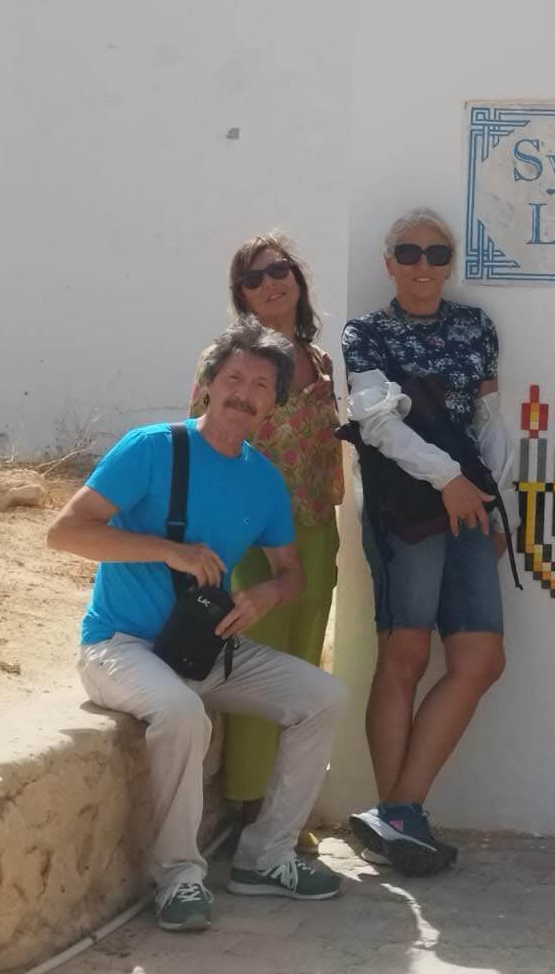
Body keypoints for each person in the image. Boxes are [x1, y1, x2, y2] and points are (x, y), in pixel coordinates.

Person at [51, 318, 346, 932]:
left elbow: (292, 573)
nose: (244, 393)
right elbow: (66, 534)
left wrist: (267, 594)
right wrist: (169, 551)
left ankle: (265, 857)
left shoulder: (264, 479)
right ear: (209, 383)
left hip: (206, 648)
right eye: (234, 378)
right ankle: (179, 878)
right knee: (183, 713)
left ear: (274, 403)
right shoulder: (150, 448)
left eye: (261, 385)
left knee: (323, 697)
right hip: (120, 647)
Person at [342, 208, 511, 876]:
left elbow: (490, 418)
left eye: (437, 254)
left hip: (469, 505)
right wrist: (448, 480)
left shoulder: (476, 326)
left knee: (481, 658)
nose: (422, 266)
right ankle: (401, 823)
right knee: (405, 654)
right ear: (388, 262)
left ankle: (398, 812)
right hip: (404, 506)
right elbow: (376, 424)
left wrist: (492, 497)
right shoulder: (366, 334)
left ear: (450, 263)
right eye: (408, 252)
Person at [190, 233, 342, 853]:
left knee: (303, 664)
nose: (270, 283)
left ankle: (286, 811)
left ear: (297, 278)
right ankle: (247, 806)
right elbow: (203, 442)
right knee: (257, 669)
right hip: (250, 534)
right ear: (241, 295)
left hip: (314, 531)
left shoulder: (321, 361)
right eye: (253, 278)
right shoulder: (229, 361)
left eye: (279, 270)